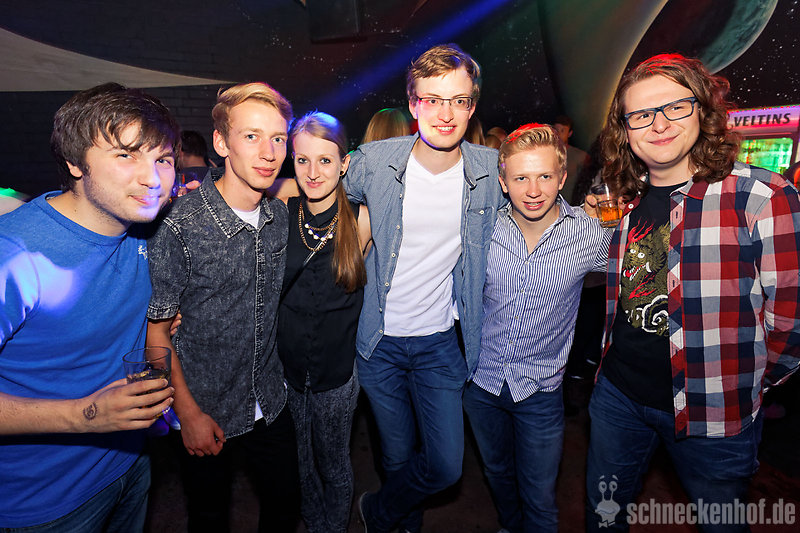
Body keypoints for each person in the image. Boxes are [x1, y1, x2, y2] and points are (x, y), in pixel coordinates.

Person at [584, 54, 800, 532]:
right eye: (641, 114)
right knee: (603, 517)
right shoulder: (624, 199)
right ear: (625, 129)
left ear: (703, 110)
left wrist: (748, 383)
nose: (658, 124)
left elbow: (791, 318)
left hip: (713, 411)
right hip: (618, 396)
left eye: (675, 107)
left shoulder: (761, 196)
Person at [0, 83, 178, 530]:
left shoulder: (146, 227)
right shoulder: (16, 256)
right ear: (75, 162)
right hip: (44, 500)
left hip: (128, 465)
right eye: (126, 155)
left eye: (162, 159)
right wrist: (87, 415)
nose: (152, 179)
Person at [345, 43, 505, 533]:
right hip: (378, 343)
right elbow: (319, 189)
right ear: (413, 105)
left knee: (445, 466)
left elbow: (538, 198)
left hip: (439, 342)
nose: (445, 114)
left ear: (472, 107)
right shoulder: (374, 161)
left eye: (458, 101)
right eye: (433, 100)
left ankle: (378, 511)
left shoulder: (490, 171)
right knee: (396, 458)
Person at [145, 82, 300, 533]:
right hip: (204, 407)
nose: (269, 152)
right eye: (251, 136)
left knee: (285, 506)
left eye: (278, 138)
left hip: (269, 399)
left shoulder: (278, 218)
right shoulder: (180, 226)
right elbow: (156, 336)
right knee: (208, 518)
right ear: (221, 143)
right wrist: (187, 414)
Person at [463, 123, 611, 533]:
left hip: (541, 391)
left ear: (562, 178)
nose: (533, 190)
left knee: (541, 497)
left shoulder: (590, 233)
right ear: (503, 182)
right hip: (481, 383)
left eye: (545, 176)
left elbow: (644, 256)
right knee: (497, 473)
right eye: (521, 178)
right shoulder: (481, 229)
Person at [278, 111, 372, 533]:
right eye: (303, 160)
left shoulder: (362, 219)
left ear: (344, 162)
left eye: (325, 160)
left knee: (333, 463)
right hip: (286, 370)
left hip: (337, 373)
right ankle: (314, 523)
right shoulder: (282, 210)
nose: (313, 172)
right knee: (298, 464)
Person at [553, 114, 591, 205]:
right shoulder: (545, 155)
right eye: (556, 130)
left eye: (563, 130)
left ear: (570, 133)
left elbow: (589, 183)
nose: (559, 134)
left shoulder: (580, 156)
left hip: (572, 207)